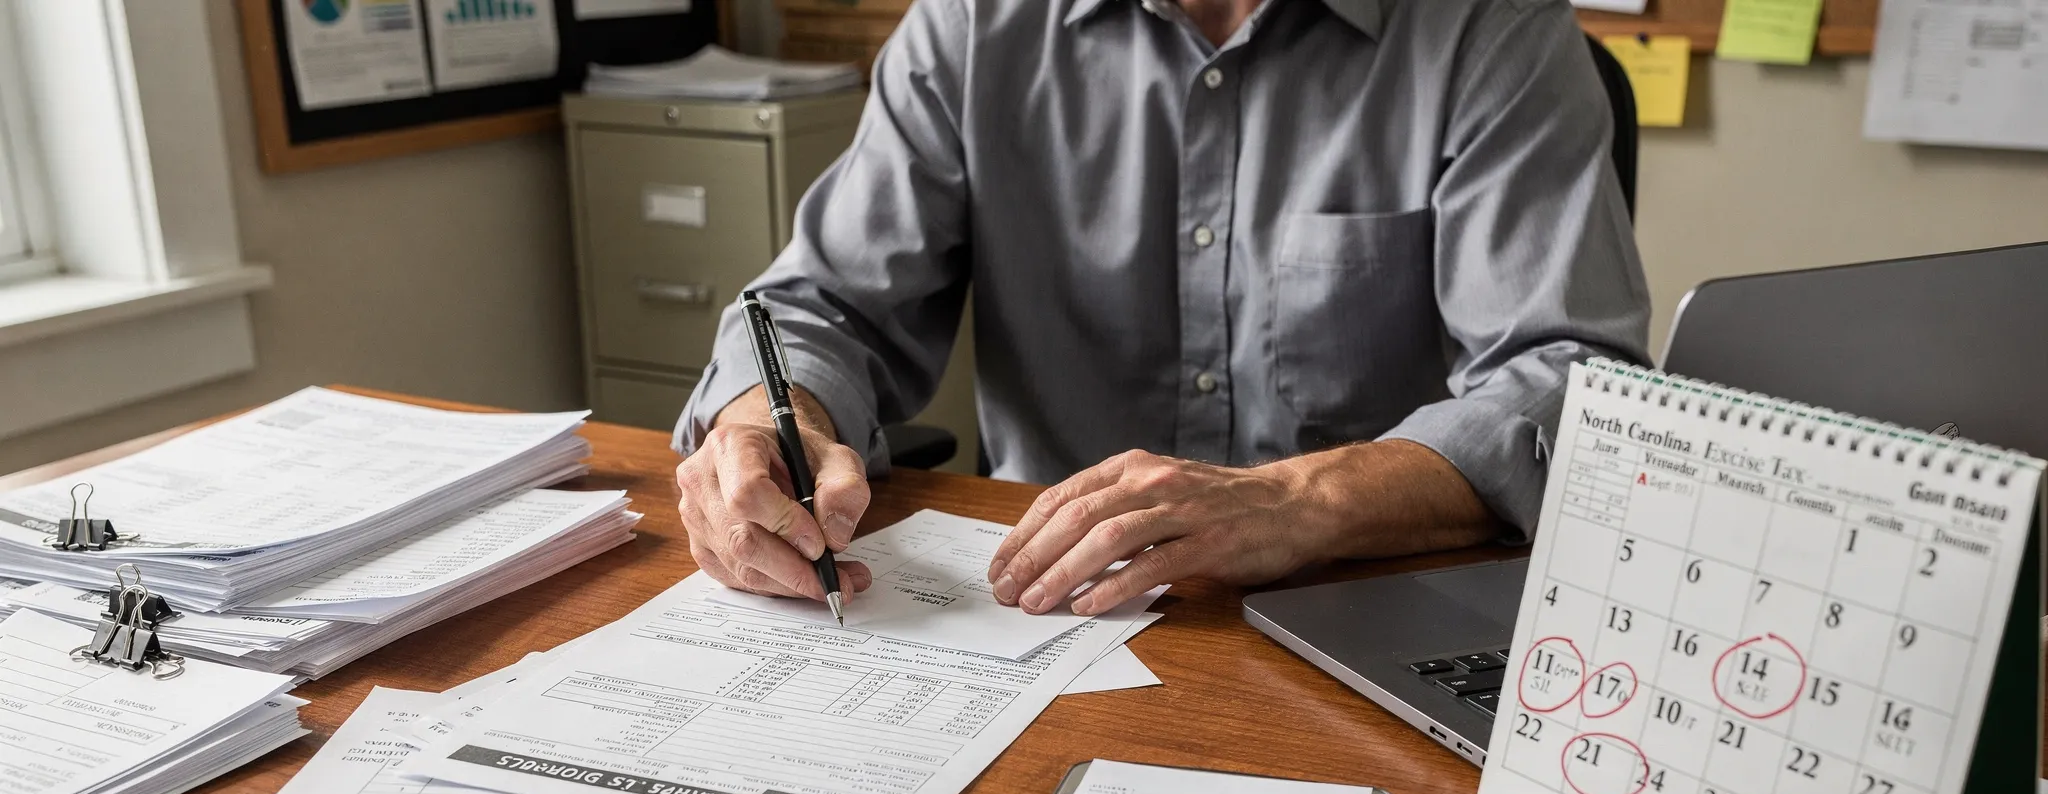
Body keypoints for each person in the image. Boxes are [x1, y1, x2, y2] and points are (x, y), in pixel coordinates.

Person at [673, 0, 1650, 617]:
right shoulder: (973, 25)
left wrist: (1297, 501)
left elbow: (1567, 381)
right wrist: (770, 417)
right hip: (1040, 614)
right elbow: (820, 302)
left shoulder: (1492, 28)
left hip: (1361, 609)